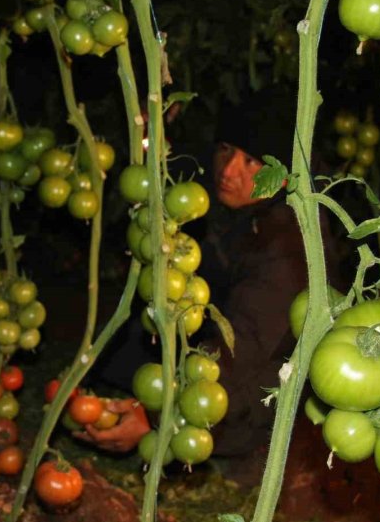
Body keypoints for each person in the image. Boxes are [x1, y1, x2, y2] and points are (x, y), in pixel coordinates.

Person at [78, 85, 342, 482]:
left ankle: (233, 442)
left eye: (252, 161)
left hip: (262, 372)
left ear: (284, 177)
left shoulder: (294, 243)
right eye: (225, 149)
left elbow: (245, 345)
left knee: (235, 397)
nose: (229, 171)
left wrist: (158, 415)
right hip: (221, 329)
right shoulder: (236, 201)